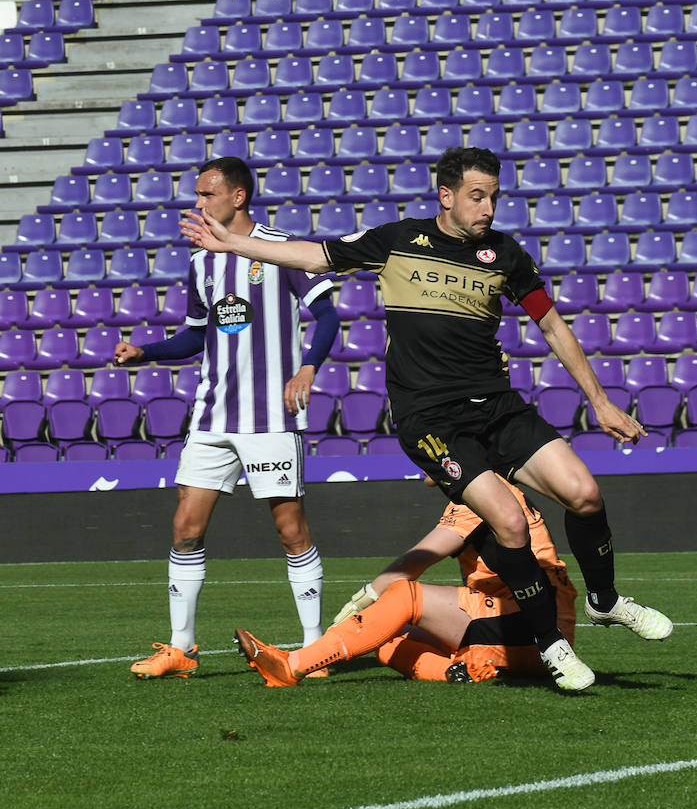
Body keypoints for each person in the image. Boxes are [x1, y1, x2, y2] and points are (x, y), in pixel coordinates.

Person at [182, 146, 671, 692]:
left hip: (498, 406)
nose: (487, 208)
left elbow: (553, 326)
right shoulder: (397, 242)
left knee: (584, 493)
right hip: (432, 420)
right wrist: (234, 242)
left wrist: (600, 401)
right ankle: (551, 646)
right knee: (509, 523)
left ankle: (603, 602)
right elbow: (314, 256)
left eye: (493, 197)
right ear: (446, 196)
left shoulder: (505, 254)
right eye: (476, 197)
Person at [121, 156, 340, 679]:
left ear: (237, 197)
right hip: (214, 416)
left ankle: (313, 649)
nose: (198, 203)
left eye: (207, 194)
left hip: (270, 418)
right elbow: (198, 334)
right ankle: (182, 649)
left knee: (291, 531)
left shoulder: (280, 250)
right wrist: (145, 352)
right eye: (197, 195)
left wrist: (307, 368)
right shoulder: (200, 262)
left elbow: (328, 314)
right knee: (184, 527)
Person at [235, 477, 577, 686]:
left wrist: (362, 600)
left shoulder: (482, 494)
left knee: (403, 596)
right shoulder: (489, 488)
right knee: (384, 637)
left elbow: (414, 563)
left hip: (530, 625)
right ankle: (460, 673)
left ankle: (292, 666)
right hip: (535, 631)